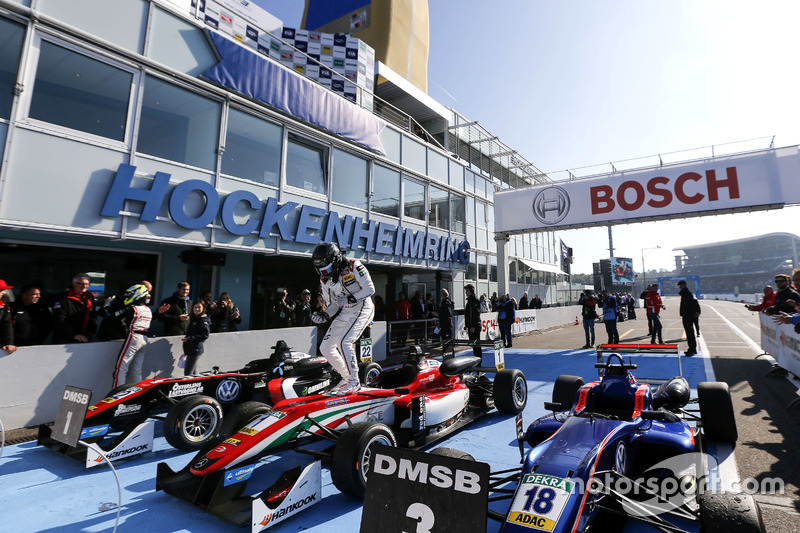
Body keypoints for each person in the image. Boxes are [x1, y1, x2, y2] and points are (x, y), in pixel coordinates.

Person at [310, 242, 375, 395]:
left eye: (326, 269)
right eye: (320, 270)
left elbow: (370, 289)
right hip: (345, 311)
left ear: (336, 261)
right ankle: (346, 377)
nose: (324, 273)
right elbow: (333, 305)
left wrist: (351, 299)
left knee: (345, 341)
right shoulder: (324, 280)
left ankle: (354, 381)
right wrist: (324, 315)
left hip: (363, 307)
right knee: (325, 347)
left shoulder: (354, 266)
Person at [106, 284, 153, 387]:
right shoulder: (148, 309)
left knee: (121, 369)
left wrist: (107, 305)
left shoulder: (132, 308)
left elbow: (112, 316)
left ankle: (117, 396)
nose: (127, 297)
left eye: (129, 295)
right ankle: (138, 395)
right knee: (137, 370)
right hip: (144, 339)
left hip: (134, 337)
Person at [52, 273, 97, 344]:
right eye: (81, 284)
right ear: (74, 283)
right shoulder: (63, 298)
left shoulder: (89, 297)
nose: (84, 286)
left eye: (87, 284)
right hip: (64, 339)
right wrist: (74, 335)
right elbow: (60, 319)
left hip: (84, 339)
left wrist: (89, 335)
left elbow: (93, 318)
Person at [181, 300, 211, 375]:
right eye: (195, 307)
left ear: (203, 308)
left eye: (199, 307)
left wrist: (189, 339)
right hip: (190, 349)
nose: (197, 309)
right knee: (193, 373)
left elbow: (205, 335)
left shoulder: (203, 320)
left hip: (195, 349)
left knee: (188, 373)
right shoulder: (194, 318)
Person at [677, 280, 700, 356]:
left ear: (684, 285)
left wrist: (697, 311)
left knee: (690, 333)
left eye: (681, 285)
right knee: (689, 333)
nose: (680, 287)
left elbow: (694, 303)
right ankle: (691, 348)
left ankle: (692, 349)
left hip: (688, 315)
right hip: (686, 315)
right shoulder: (685, 294)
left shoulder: (687, 294)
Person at [464, 284, 482, 358]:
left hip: (475, 326)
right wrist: (467, 325)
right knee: (473, 344)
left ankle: (479, 361)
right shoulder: (469, 301)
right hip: (471, 325)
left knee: (476, 345)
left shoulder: (474, 301)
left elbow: (476, 314)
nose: (466, 292)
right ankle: (477, 359)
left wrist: (474, 326)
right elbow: (468, 314)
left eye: (467, 291)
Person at [0, 279, 17, 354]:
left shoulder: (4, 301)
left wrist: (9, 343)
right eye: (1, 290)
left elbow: (7, 323)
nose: (4, 292)